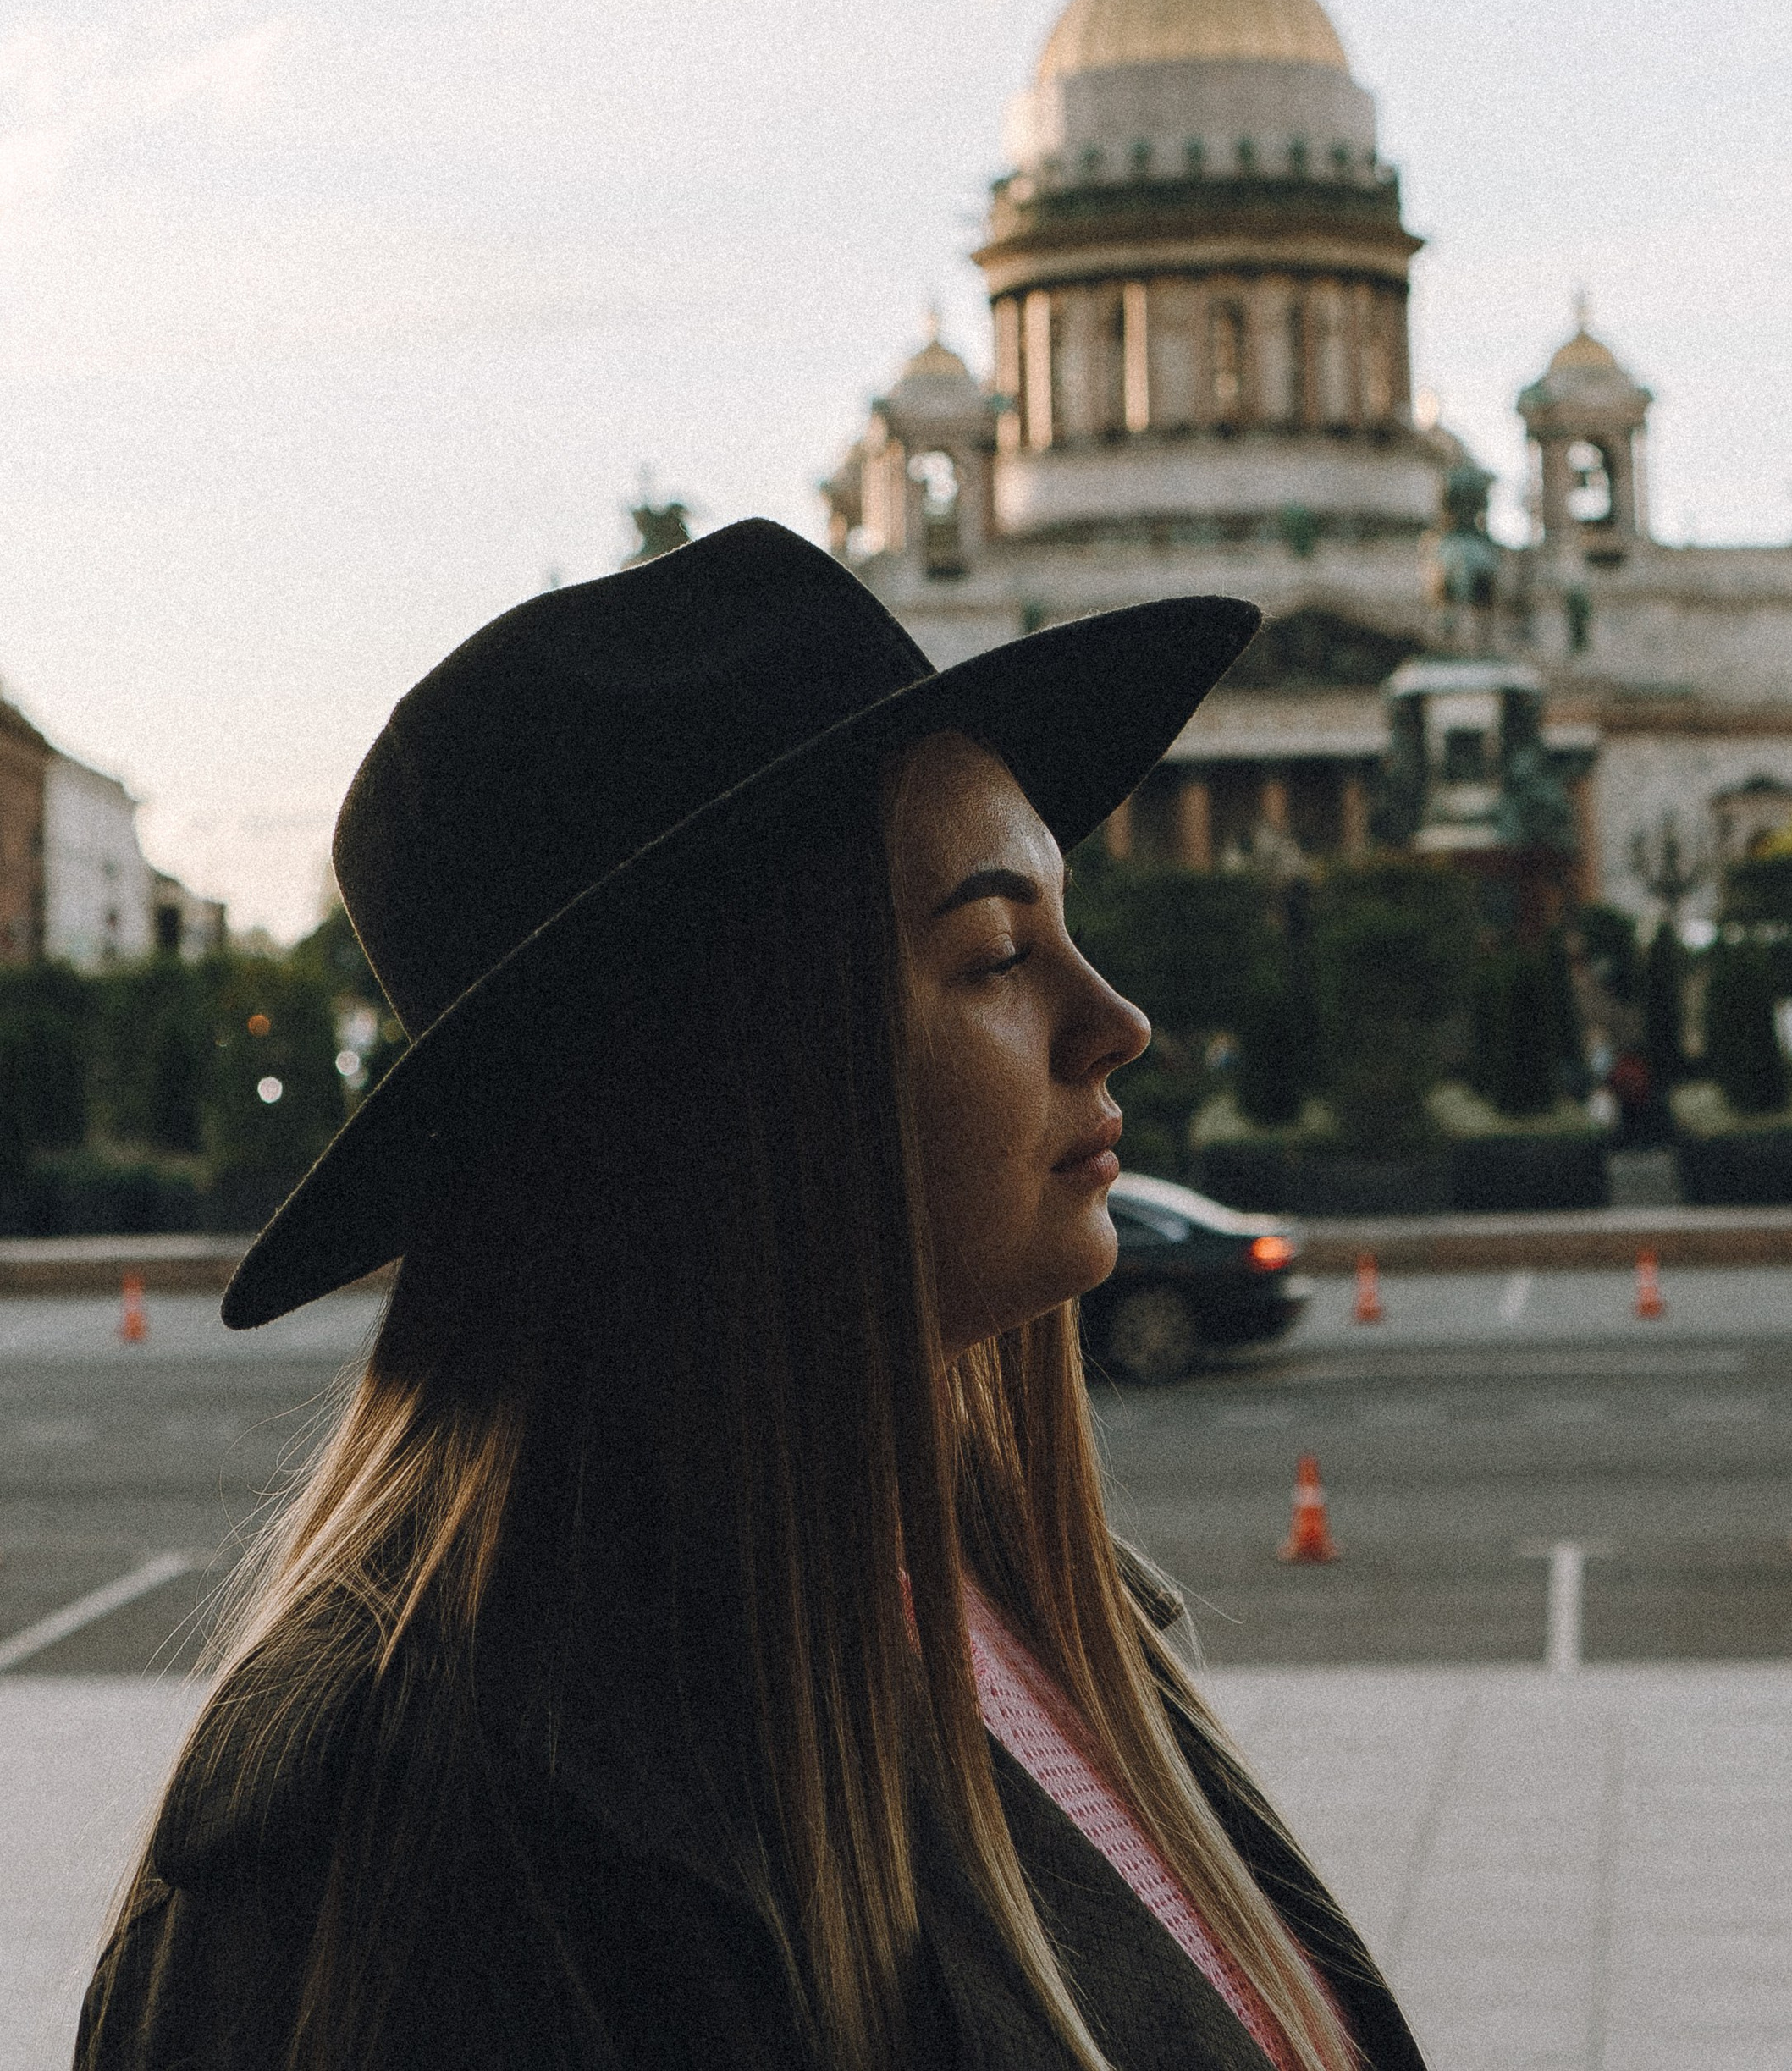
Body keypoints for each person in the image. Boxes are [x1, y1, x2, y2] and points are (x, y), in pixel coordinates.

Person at [80, 520, 1427, 2071]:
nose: (1118, 1021)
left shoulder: (1028, 1602)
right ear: (736, 1073)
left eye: (1071, 928)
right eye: (995, 951)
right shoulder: (430, 1850)